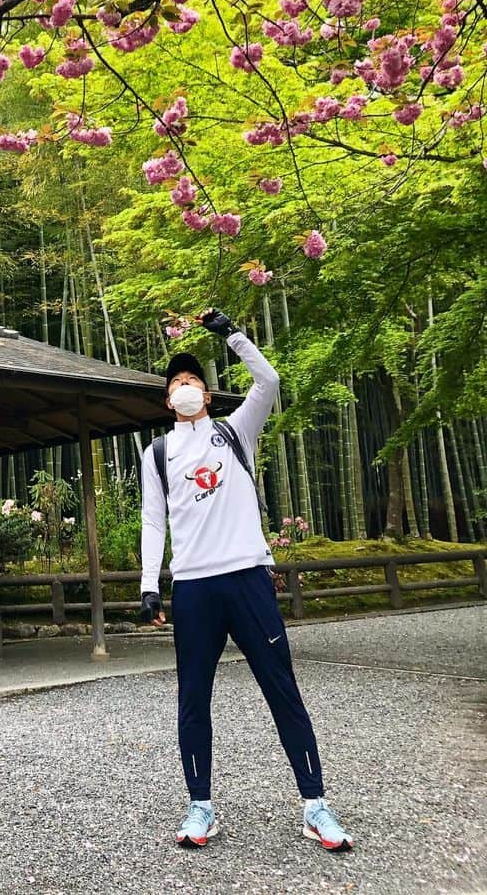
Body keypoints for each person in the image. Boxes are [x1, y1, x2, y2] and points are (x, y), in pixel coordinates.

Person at [139, 308, 353, 853]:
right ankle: (200, 806)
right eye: (176, 384)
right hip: (193, 588)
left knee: (282, 688)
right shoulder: (158, 453)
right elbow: (153, 521)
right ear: (167, 400)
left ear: (207, 394)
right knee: (193, 698)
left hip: (248, 577)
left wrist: (230, 333)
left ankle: (315, 805)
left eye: (192, 381)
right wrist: (149, 585)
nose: (185, 388)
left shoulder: (235, 432)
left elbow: (270, 381)